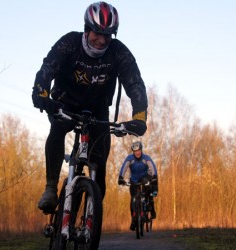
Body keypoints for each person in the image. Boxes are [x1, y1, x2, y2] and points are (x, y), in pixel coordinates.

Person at [32, 1, 149, 213]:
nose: (101, 39)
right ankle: (50, 188)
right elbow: (47, 69)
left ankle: (91, 216)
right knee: (57, 130)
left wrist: (139, 116)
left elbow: (135, 83)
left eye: (108, 34)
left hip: (98, 111)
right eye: (97, 32)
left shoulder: (118, 52)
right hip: (65, 104)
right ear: (87, 29)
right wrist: (41, 93)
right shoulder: (69, 43)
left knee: (100, 163)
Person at [118, 141, 158, 231]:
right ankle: (133, 220)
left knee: (148, 190)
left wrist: (154, 176)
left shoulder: (146, 158)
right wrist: (121, 177)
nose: (137, 152)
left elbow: (152, 166)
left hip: (145, 178)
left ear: (141, 150)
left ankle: (151, 208)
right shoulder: (130, 158)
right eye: (135, 151)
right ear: (133, 151)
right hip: (134, 180)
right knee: (133, 199)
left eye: (139, 150)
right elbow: (124, 167)